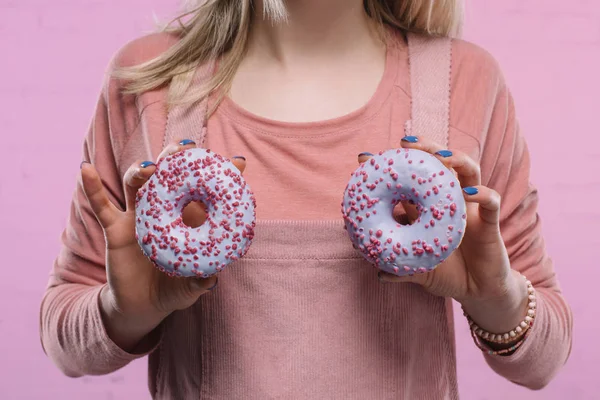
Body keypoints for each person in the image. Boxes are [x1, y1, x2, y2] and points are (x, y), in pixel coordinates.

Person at [39, 0, 573, 398]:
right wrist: (125, 310)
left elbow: (543, 359)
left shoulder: (464, 81)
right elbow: (63, 338)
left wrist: (494, 294)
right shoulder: (148, 81)